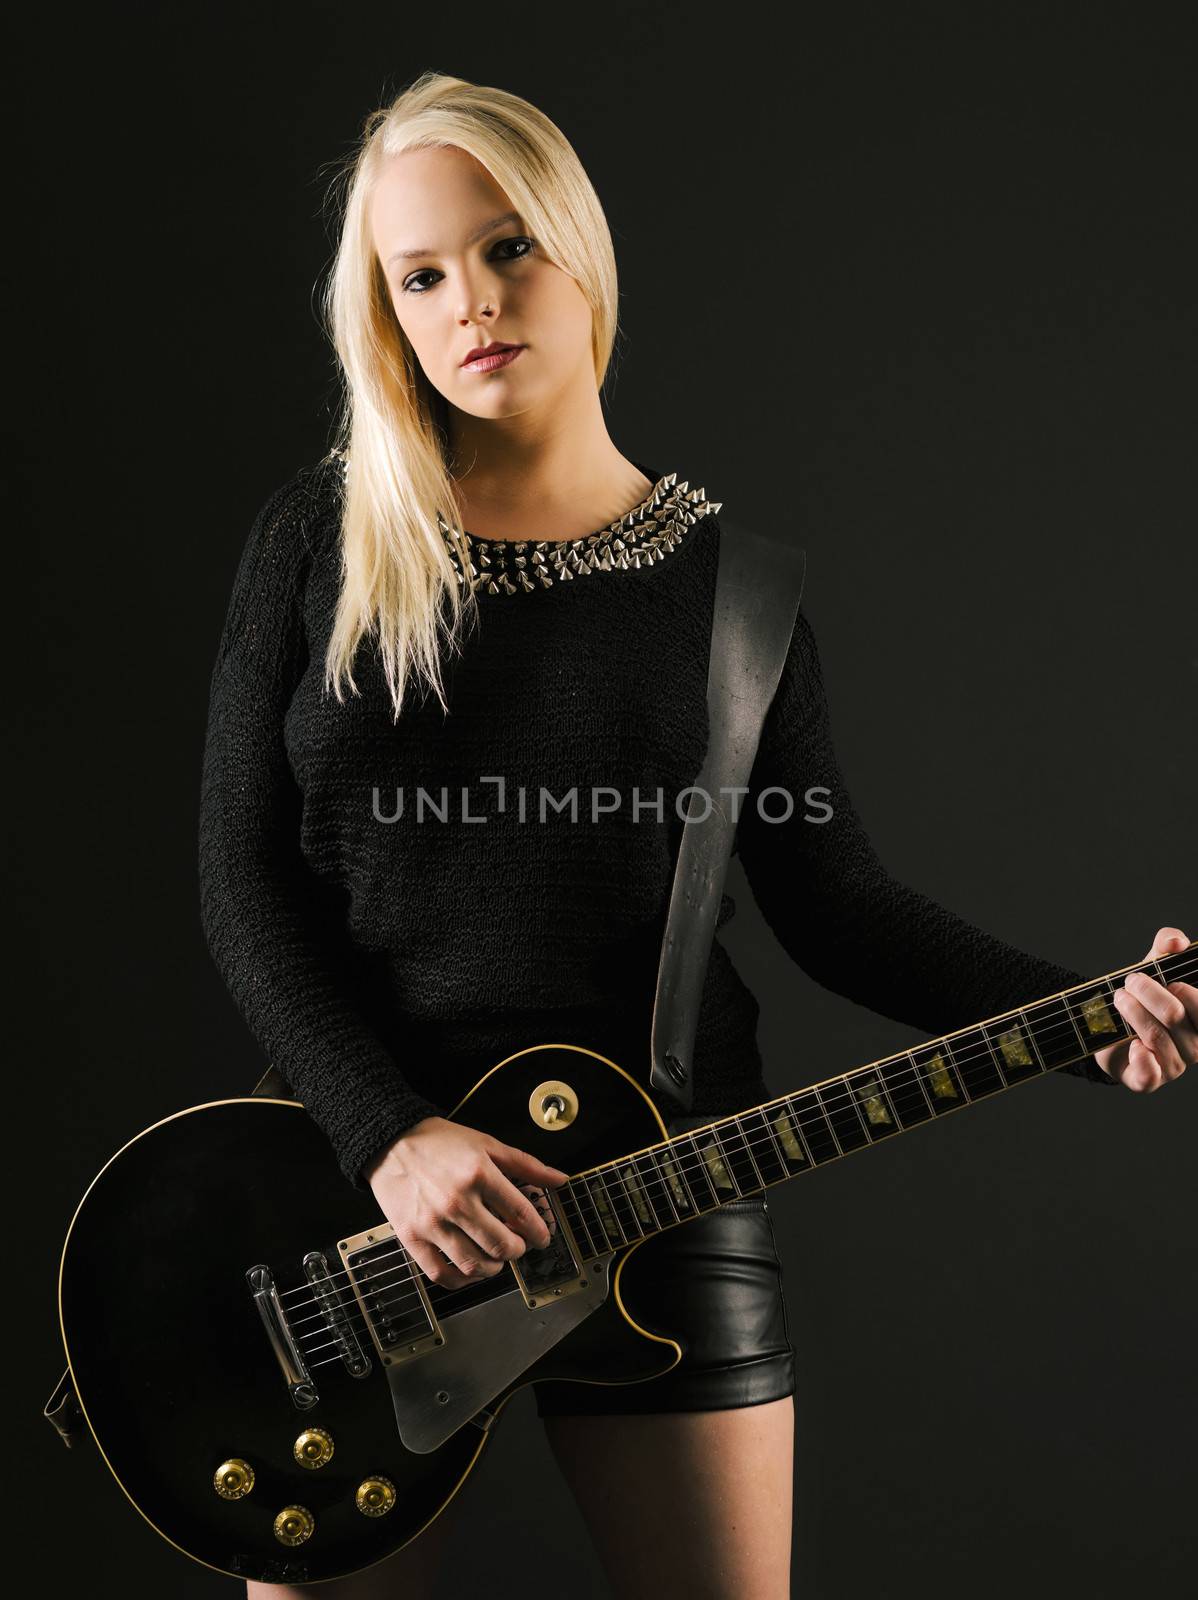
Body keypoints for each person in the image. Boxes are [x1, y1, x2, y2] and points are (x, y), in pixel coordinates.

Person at [198, 71, 1196, 1600]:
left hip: (665, 1190)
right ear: (384, 313)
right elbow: (240, 881)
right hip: (352, 1211)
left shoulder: (736, 594)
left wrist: (1084, 1018)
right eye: (420, 275)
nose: (471, 300)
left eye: (507, 246)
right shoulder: (317, 543)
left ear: (580, 251)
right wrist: (386, 1136)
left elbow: (837, 904)